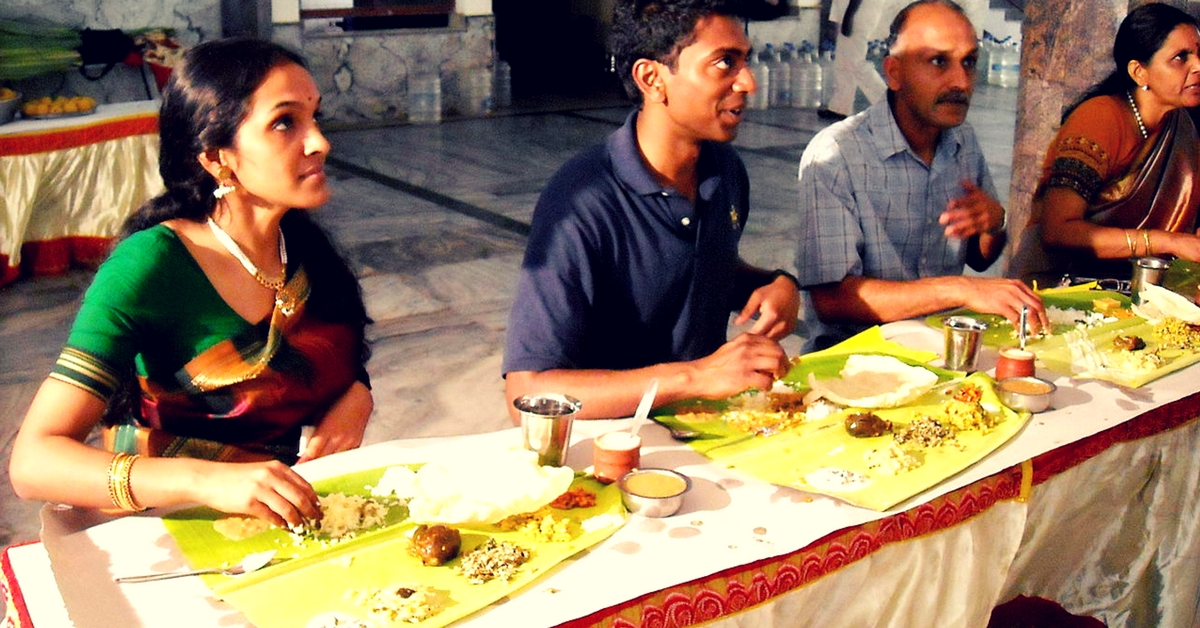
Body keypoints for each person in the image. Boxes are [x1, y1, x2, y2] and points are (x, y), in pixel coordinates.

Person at [9, 38, 373, 529]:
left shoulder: (304, 254)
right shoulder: (153, 264)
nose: (319, 142)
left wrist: (356, 396)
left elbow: (335, 362)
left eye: (315, 117)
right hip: (156, 526)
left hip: (276, 522)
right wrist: (202, 480)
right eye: (285, 122)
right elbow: (33, 463)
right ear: (216, 156)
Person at [502, 0, 800, 422]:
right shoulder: (582, 201)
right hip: (612, 450)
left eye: (745, 61)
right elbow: (527, 394)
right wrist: (695, 377)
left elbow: (692, 267)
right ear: (652, 78)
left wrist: (776, 284)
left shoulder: (725, 169)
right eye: (724, 63)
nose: (748, 82)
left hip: (709, 430)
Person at [795, 0, 1048, 352]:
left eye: (969, 63)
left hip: (940, 352)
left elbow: (980, 256)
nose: (960, 81)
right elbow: (832, 298)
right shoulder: (837, 155)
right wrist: (959, 289)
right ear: (893, 72)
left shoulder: (962, 140)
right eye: (938, 62)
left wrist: (993, 222)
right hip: (854, 361)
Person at [1008, 3, 1200, 285]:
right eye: (1181, 58)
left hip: (1136, 285)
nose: (1198, 66)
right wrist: (1166, 242)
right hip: (1060, 288)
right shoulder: (1100, 119)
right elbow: (1057, 230)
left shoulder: (1182, 126)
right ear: (1139, 73)